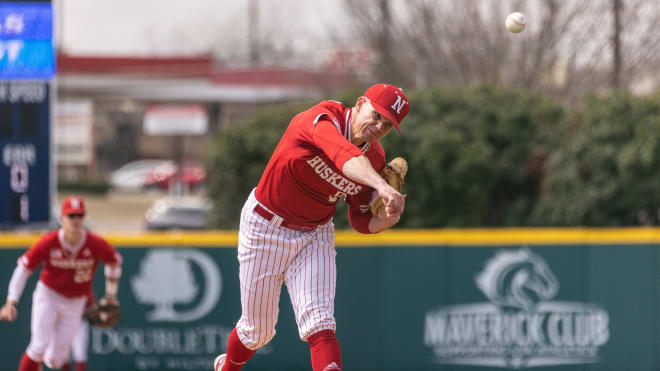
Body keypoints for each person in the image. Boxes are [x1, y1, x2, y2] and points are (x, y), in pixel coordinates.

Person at [213, 83, 410, 371]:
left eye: (387, 124)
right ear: (359, 103)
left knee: (320, 324)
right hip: (265, 225)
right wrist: (380, 185)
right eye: (376, 115)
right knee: (257, 332)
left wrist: (385, 220)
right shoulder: (321, 118)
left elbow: (359, 219)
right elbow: (344, 155)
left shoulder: (375, 158)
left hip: (314, 234)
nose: (379, 126)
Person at [0, 196, 122, 371]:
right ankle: (35, 360)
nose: (75, 220)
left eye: (79, 215)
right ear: (61, 218)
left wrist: (111, 296)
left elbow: (114, 261)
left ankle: (40, 362)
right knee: (38, 345)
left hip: (75, 302)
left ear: (84, 217)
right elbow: (23, 268)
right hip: (48, 295)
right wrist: (11, 301)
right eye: (71, 216)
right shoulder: (49, 241)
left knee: (56, 360)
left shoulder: (95, 243)